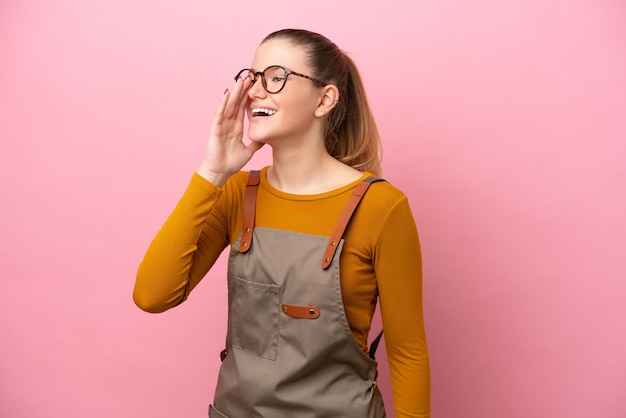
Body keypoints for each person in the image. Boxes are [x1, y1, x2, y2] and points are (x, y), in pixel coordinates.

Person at [134, 28, 430, 418]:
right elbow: (152, 296)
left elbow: (408, 354)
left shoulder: (382, 207)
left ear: (324, 99)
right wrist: (212, 172)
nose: (255, 91)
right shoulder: (237, 193)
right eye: (252, 78)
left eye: (276, 77)